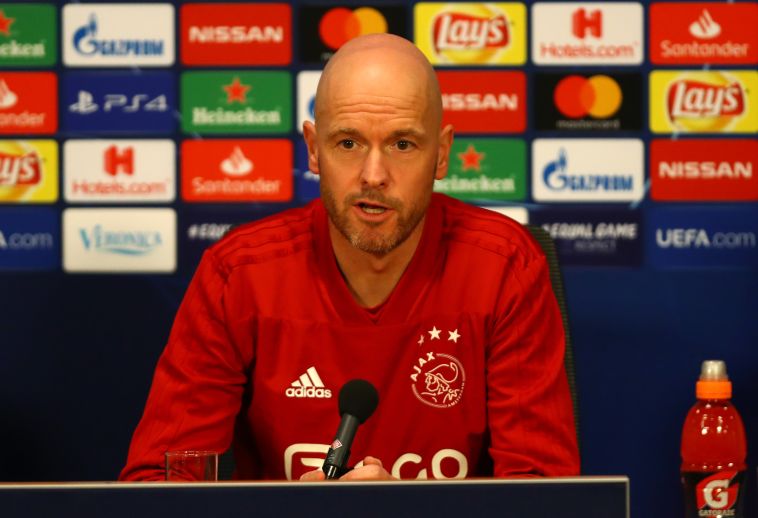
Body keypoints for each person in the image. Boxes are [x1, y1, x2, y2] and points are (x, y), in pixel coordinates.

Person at [120, 34, 579, 482]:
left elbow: (545, 493)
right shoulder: (239, 275)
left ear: (441, 156)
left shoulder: (505, 268)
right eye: (348, 143)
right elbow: (159, 484)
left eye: (402, 144)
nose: (373, 175)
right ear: (313, 148)